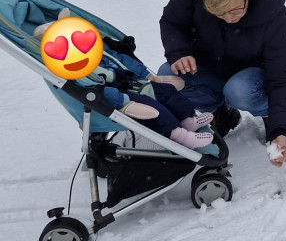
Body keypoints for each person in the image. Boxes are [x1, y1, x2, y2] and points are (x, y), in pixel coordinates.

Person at [158, 0, 286, 167]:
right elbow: (172, 21)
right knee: (168, 75)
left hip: (253, 77)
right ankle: (221, 113)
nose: (228, 19)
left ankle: (267, 113)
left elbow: (281, 78)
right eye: (218, 13)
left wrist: (280, 130)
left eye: (235, 10)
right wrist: (180, 52)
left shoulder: (273, 14)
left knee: (239, 89)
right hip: (212, 65)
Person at [34, 9, 214, 149]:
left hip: (133, 84)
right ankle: (180, 136)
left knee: (166, 91)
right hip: (119, 98)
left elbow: (122, 60)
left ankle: (186, 119)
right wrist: (124, 102)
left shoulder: (97, 53)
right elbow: (94, 91)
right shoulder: (72, 72)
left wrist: (146, 75)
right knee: (153, 108)